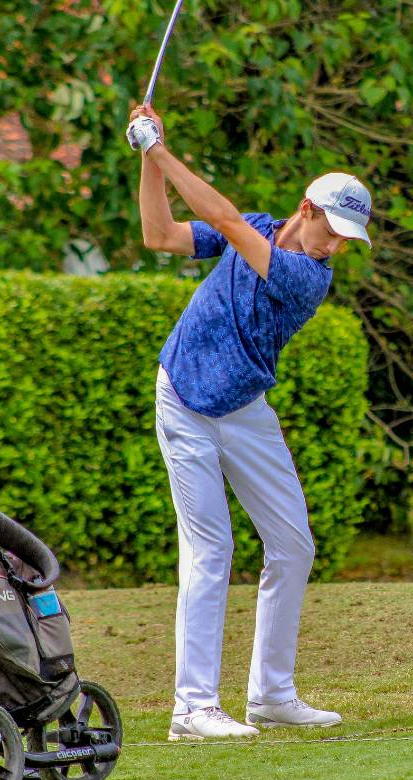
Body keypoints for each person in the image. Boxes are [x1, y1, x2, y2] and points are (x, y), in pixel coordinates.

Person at [126, 105, 371, 741]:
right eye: (335, 229)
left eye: (350, 239)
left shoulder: (308, 277)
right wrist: (151, 162)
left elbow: (225, 220)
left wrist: (160, 151)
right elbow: (160, 235)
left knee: (293, 544)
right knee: (211, 549)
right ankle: (193, 710)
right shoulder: (264, 230)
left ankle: (271, 694)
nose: (338, 245)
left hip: (243, 411)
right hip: (183, 399)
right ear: (307, 209)